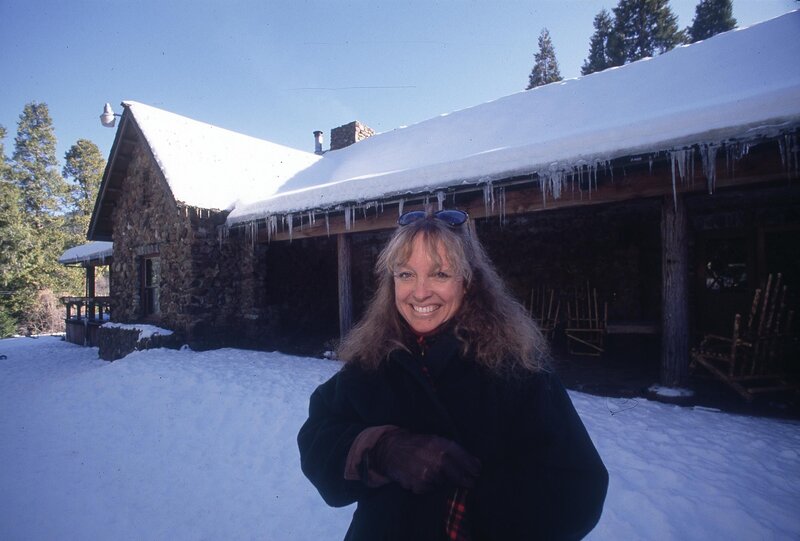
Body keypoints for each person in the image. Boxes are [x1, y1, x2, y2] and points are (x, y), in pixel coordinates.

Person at [297, 209, 608, 540]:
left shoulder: (518, 368)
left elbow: (578, 490)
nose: (419, 293)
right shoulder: (374, 361)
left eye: (440, 274)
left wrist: (466, 496)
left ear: (469, 282)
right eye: (405, 274)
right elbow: (318, 435)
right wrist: (383, 449)